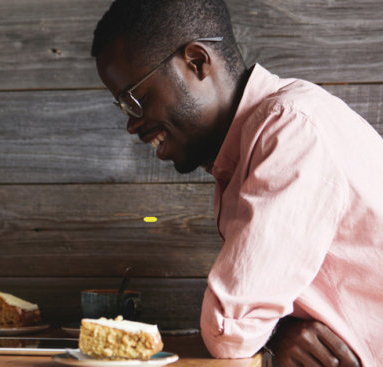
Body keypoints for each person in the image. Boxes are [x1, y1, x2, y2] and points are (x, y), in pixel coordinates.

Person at [91, 0, 382, 366]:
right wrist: (279, 330)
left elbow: (229, 331)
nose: (132, 124)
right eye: (123, 106)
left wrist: (269, 330)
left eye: (136, 98)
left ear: (196, 62)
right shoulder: (250, 148)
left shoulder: (289, 130)